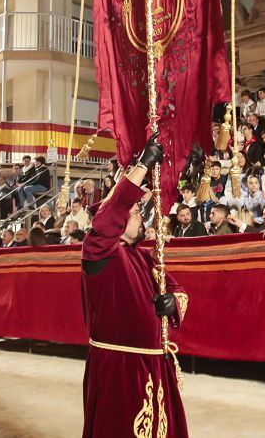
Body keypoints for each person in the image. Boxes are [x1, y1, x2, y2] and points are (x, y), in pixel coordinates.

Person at [81, 135, 189, 437]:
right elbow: (107, 217)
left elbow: (179, 290)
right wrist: (142, 165)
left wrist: (174, 303)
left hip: (154, 365)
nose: (144, 217)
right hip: (119, 369)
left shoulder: (145, 257)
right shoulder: (98, 250)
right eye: (136, 212)